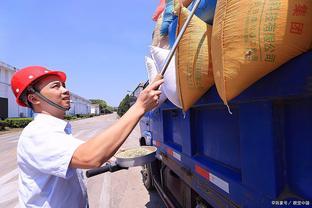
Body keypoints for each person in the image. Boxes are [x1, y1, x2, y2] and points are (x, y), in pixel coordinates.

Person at [10, 65, 164, 208]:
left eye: (64, 85)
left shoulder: (55, 130)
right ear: (34, 98)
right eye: (56, 86)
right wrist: (140, 106)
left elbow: (82, 150)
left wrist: (110, 155)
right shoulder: (37, 134)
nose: (65, 90)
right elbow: (90, 156)